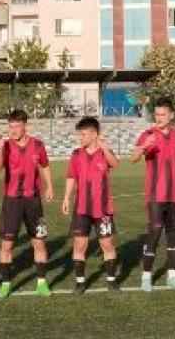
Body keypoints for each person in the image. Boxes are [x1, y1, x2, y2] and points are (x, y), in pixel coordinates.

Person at [0, 109, 54, 298]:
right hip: (12, 201)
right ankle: (5, 283)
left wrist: (49, 186)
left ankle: (42, 283)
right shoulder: (7, 145)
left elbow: (44, 165)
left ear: (25, 125)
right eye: (11, 126)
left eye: (17, 126)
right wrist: (0, 148)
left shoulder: (38, 145)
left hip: (33, 201)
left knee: (39, 242)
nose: (13, 130)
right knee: (7, 245)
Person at [128, 97, 175, 292]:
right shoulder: (148, 134)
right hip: (155, 194)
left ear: (171, 115)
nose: (159, 118)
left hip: (174, 195)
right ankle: (146, 277)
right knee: (154, 233)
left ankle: (172, 276)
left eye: (163, 114)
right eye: (157, 114)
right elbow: (134, 158)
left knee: (173, 236)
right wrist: (144, 146)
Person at [61, 117, 120, 294]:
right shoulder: (76, 154)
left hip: (103, 209)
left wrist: (104, 147)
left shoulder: (104, 152)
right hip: (81, 208)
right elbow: (71, 177)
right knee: (79, 245)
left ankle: (111, 280)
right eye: (80, 134)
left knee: (107, 244)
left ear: (94, 134)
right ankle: (80, 282)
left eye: (84, 134)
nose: (81, 137)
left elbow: (115, 164)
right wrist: (66, 198)